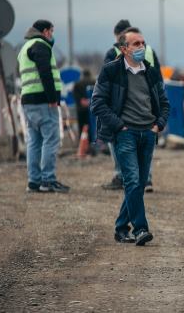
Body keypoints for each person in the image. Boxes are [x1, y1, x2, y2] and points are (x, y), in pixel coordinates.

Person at [91, 27, 170, 245]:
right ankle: (141, 229)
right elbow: (97, 103)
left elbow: (164, 103)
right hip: (125, 134)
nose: (141, 48)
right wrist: (119, 126)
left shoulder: (151, 71)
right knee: (133, 180)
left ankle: (120, 227)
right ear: (124, 48)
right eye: (136, 44)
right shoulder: (111, 70)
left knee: (140, 182)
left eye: (143, 43)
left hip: (148, 133)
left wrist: (158, 125)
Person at [102, 20, 161, 192]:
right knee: (145, 149)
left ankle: (122, 176)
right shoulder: (150, 50)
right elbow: (159, 80)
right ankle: (146, 180)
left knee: (120, 145)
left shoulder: (113, 51)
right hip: (148, 110)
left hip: (124, 111)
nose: (141, 46)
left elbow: (105, 81)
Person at [17, 19, 70, 193]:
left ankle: (34, 181)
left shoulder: (25, 48)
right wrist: (52, 98)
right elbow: (45, 73)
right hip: (43, 101)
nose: (52, 35)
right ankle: (48, 180)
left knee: (34, 141)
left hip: (28, 101)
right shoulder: (41, 46)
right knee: (51, 139)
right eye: (51, 31)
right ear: (45, 31)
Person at [72, 69, 96, 143]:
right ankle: (93, 143)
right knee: (93, 128)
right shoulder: (94, 82)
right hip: (93, 109)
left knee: (82, 129)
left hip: (81, 110)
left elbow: (76, 97)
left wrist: (82, 102)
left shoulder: (77, 84)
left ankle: (83, 144)